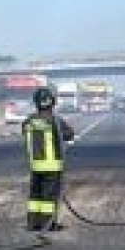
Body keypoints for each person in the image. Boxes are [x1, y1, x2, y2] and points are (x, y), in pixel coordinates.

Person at [22, 86, 76, 232]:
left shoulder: (28, 121)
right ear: (52, 102)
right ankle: (48, 224)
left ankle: (33, 223)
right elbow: (69, 134)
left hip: (35, 166)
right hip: (52, 166)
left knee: (35, 196)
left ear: (36, 102)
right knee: (49, 197)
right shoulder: (55, 121)